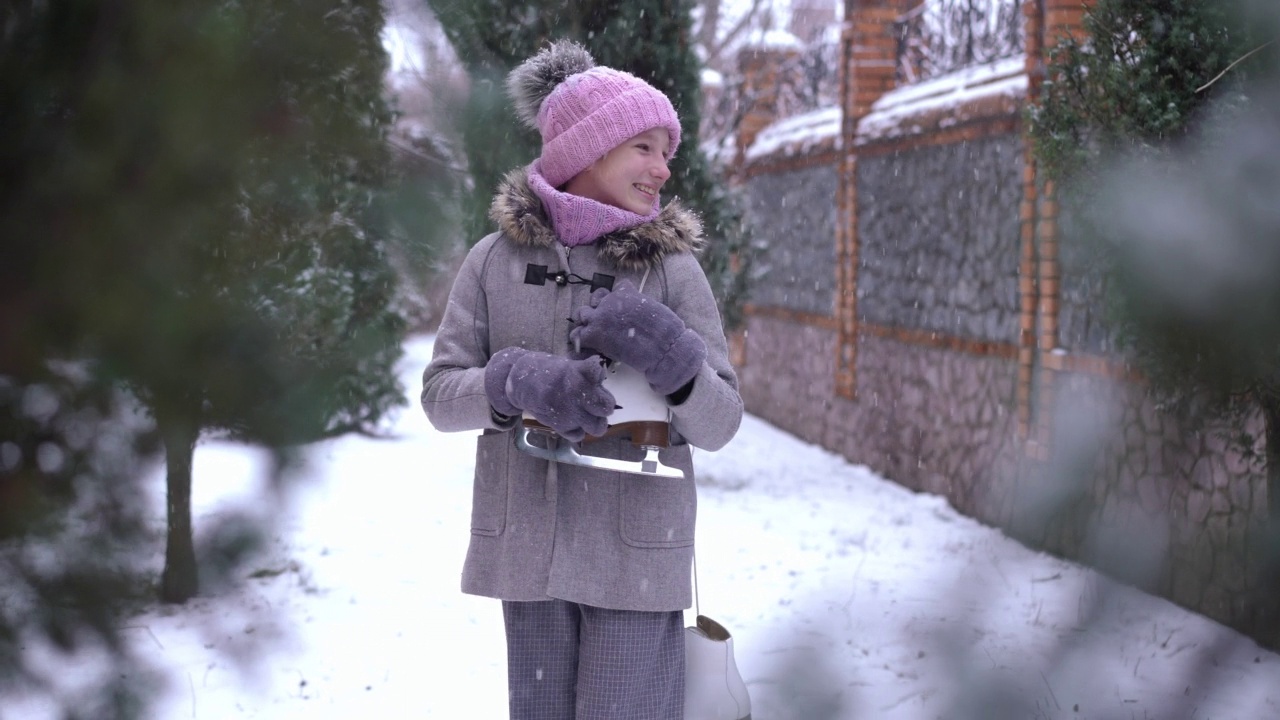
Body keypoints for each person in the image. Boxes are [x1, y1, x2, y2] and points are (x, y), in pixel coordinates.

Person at [420, 40, 744, 720]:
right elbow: (440, 397)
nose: (662, 169)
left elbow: (721, 424)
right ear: (586, 151)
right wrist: (511, 382)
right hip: (529, 553)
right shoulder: (493, 263)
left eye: (667, 152)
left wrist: (675, 358)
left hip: (637, 556)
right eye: (644, 148)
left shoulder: (673, 272)